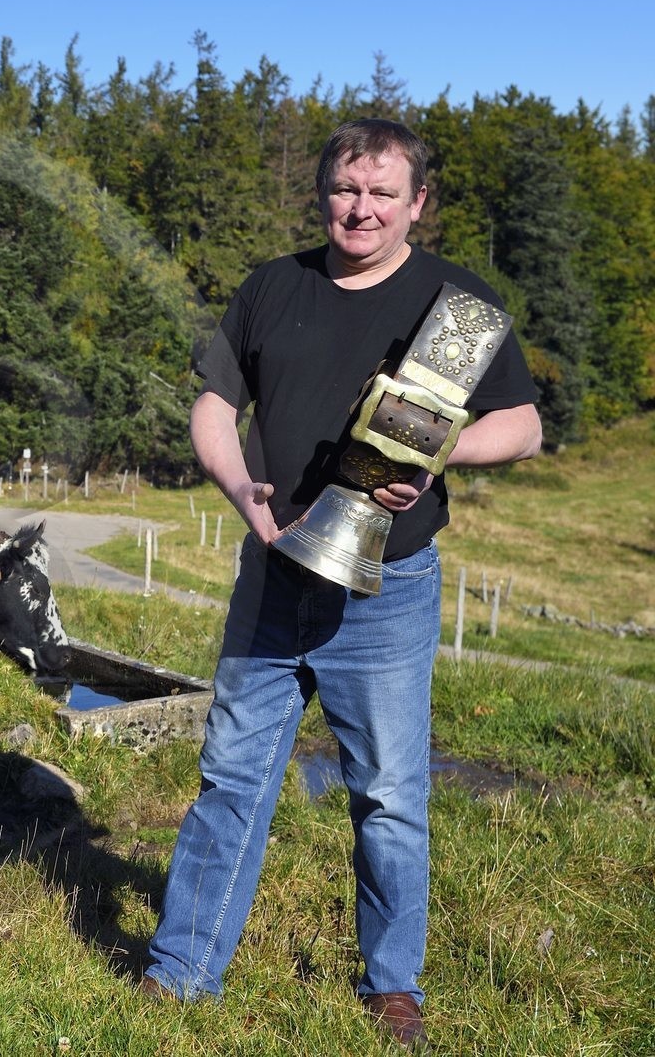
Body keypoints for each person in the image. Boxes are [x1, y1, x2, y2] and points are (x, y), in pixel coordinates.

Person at [139, 119, 542, 1048]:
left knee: (391, 794)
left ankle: (391, 986)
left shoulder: (461, 305)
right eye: (345, 190)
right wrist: (239, 485)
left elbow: (519, 425)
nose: (360, 210)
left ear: (417, 203)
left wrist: (443, 453)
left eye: (382, 194)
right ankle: (182, 972)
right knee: (231, 778)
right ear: (323, 192)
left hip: (388, 587)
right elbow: (213, 404)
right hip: (275, 571)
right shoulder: (273, 287)